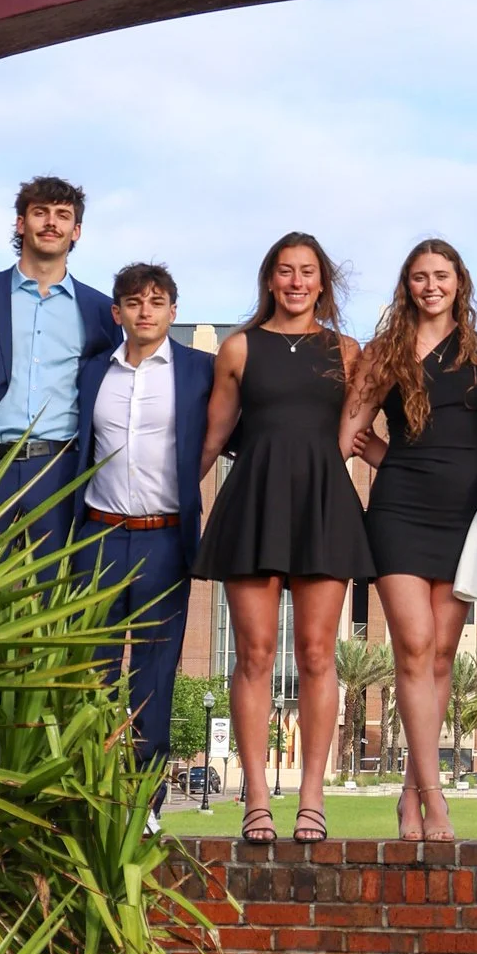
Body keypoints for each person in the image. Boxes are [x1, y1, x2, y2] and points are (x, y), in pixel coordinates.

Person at [195, 232, 372, 844]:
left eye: (308, 273)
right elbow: (214, 437)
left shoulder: (348, 352)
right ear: (270, 279)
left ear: (323, 282)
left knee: (320, 655)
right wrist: (170, 503)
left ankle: (313, 798)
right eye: (285, 272)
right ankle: (257, 799)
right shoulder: (238, 349)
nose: (296, 282)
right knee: (254, 656)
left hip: (324, 507)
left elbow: (362, 434)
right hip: (254, 505)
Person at [343, 239, 477, 848]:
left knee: (441, 658)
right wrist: (393, 460)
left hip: (464, 515)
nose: (431, 286)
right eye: (420, 277)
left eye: (442, 276)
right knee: (414, 646)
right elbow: (351, 432)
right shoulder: (384, 353)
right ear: (407, 285)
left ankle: (411, 789)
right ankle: (434, 796)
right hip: (400, 512)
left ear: (460, 283)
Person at [74, 260, 213, 813]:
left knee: (153, 676)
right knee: (93, 669)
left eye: (156, 302)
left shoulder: (200, 370)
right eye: (134, 302)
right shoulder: (92, 375)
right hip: (97, 536)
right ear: (117, 312)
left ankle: (146, 807)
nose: (145, 311)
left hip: (164, 538)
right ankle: (88, 795)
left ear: (173, 312)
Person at [0, 174, 116, 552]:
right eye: (40, 212)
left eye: (63, 215)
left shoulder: (98, 310)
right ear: (20, 223)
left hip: (58, 472)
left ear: (75, 231)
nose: (51, 223)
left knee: (52, 599)